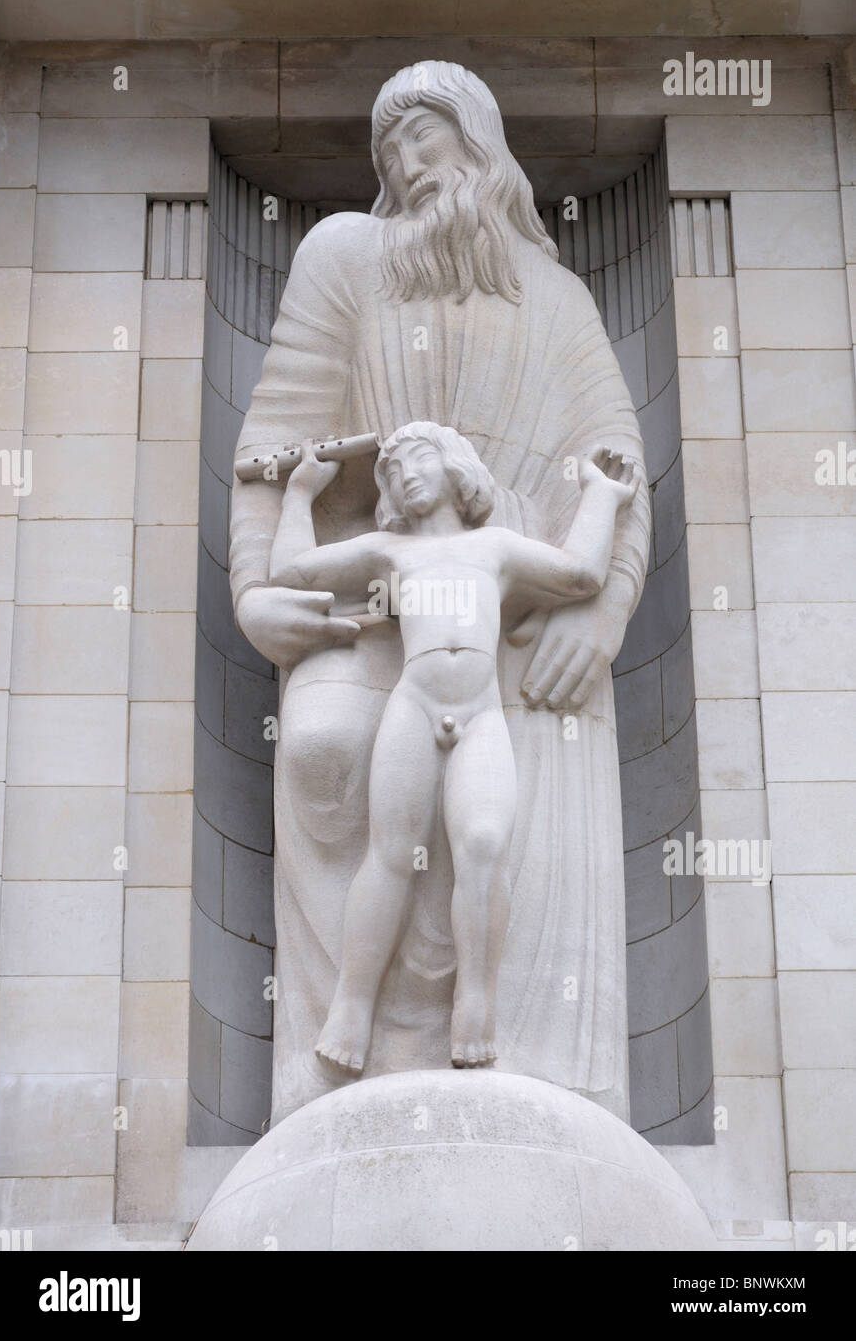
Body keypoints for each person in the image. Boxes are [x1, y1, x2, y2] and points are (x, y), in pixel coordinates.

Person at [230, 61, 651, 1123]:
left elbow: (615, 463)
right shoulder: (343, 257)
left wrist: (600, 617)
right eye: (388, 153)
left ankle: (528, 1071)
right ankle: (343, 1062)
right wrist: (251, 589)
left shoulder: (559, 298)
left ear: (477, 138)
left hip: (518, 621)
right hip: (378, 606)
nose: (407, 165)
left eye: (423, 136)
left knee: (512, 795)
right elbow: (274, 450)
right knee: (323, 741)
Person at [268, 424, 640, 1071]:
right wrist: (300, 494)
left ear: (454, 467)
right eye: (392, 469)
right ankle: (351, 1009)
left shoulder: (494, 547)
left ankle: (475, 1002)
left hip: (478, 711)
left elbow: (580, 576)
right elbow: (292, 572)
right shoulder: (388, 550)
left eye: (420, 458)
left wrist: (601, 497)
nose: (405, 474)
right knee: (389, 854)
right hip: (414, 705)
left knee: (482, 843)